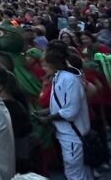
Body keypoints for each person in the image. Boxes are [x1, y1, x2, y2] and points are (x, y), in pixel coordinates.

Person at [38, 41, 92, 180]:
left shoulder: (69, 79)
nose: (43, 68)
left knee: (75, 173)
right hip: (66, 134)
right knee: (74, 170)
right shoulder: (59, 76)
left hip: (72, 135)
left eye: (45, 65)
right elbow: (61, 103)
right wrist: (47, 111)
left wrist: (48, 118)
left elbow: (70, 112)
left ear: (54, 63)